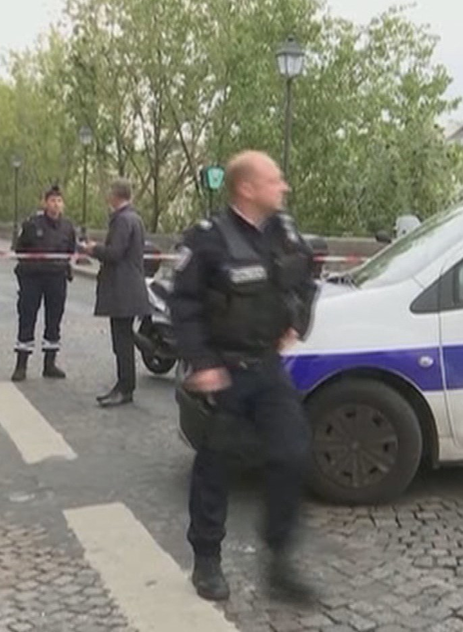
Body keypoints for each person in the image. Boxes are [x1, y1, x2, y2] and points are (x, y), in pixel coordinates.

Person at [169, 150, 319, 603]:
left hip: (268, 368)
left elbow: (306, 281)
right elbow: (183, 306)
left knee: (292, 453)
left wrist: (296, 320)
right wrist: (203, 364)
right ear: (247, 188)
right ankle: (207, 559)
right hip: (224, 370)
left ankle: (279, 559)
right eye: (275, 180)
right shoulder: (208, 239)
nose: (284, 187)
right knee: (216, 465)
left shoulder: (286, 233)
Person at [84, 178, 151, 408]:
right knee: (123, 337)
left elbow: (115, 253)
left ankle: (125, 388)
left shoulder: (123, 220)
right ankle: (124, 384)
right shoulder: (134, 218)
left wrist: (93, 249)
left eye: (109, 193)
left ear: (115, 196)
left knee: (121, 341)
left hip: (123, 288)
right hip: (129, 287)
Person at [11, 185, 78, 382]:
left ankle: (50, 364)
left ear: (62, 204)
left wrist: (68, 265)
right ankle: (21, 365)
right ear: (45, 203)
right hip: (33, 278)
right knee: (27, 318)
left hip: (57, 278)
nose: (55, 205)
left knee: (54, 320)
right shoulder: (32, 224)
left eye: (58, 201)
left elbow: (71, 250)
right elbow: (19, 249)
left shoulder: (68, 227)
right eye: (52, 200)